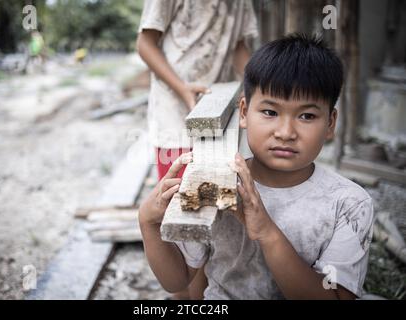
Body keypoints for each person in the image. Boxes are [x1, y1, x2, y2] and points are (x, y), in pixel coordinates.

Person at [139, 34, 375, 299]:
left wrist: (267, 232)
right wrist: (148, 223)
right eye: (270, 112)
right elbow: (177, 280)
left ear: (330, 123)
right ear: (243, 112)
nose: (286, 132)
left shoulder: (349, 204)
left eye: (307, 116)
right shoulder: (216, 181)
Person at [136, 0, 258, 299]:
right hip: (174, 120)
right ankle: (183, 295)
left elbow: (239, 47)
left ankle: (203, 294)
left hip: (216, 119)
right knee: (183, 221)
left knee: (210, 215)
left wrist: (261, 91)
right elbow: (145, 43)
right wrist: (182, 88)